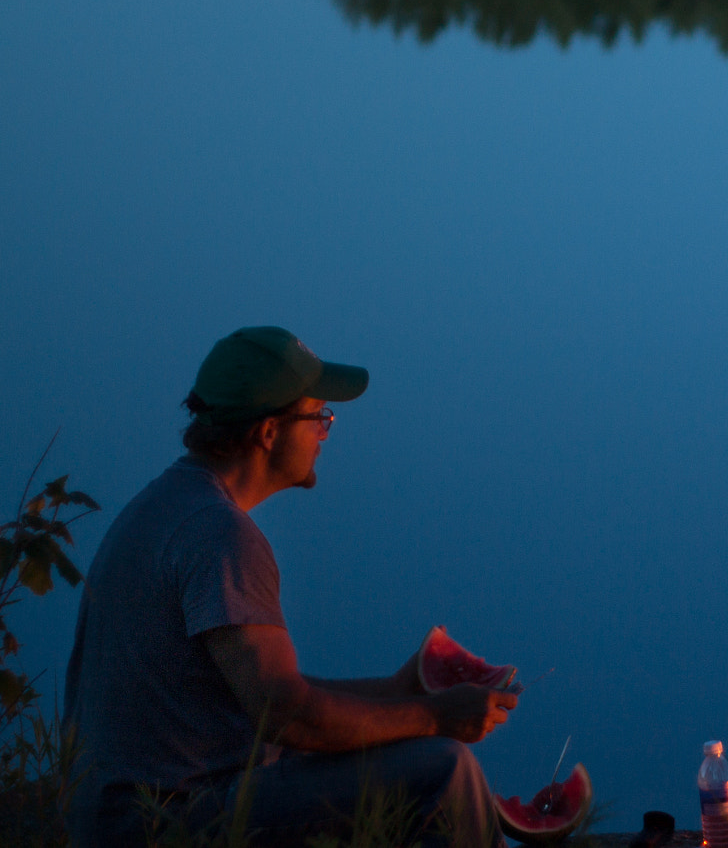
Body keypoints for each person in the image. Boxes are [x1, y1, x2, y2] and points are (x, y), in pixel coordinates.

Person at [62, 326, 520, 848]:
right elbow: (286, 715)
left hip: (120, 818)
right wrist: (436, 716)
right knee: (443, 770)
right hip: (167, 821)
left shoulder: (163, 508)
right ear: (268, 432)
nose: (326, 431)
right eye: (318, 416)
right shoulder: (221, 535)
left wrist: (398, 691)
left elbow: (264, 693)